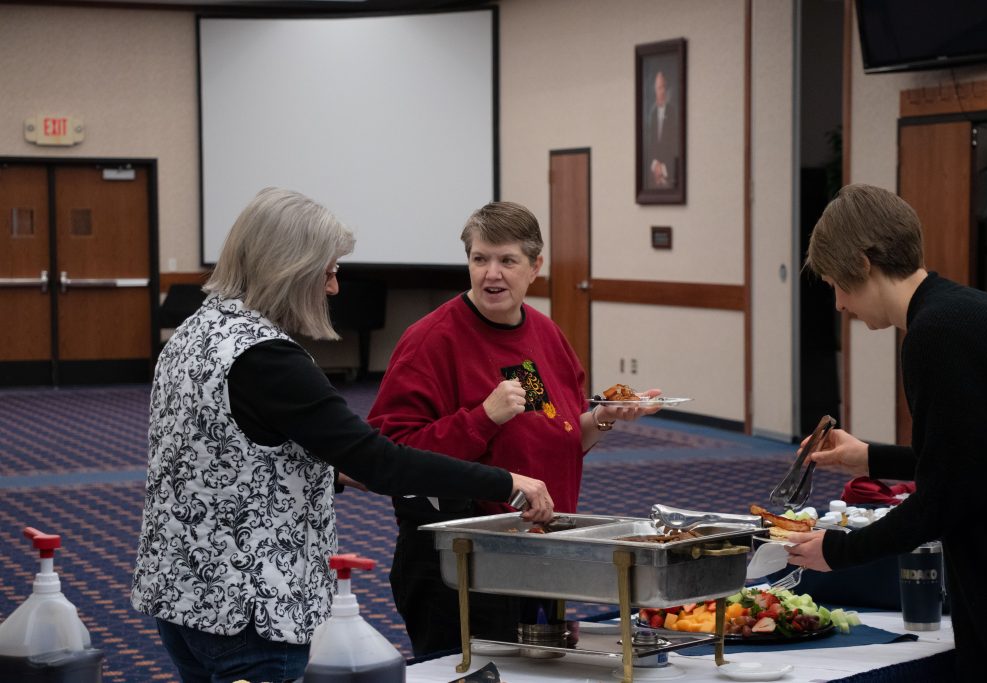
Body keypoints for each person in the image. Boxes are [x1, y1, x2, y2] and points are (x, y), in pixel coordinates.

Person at [130, 188, 555, 683]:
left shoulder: (196, 331)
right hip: (248, 608)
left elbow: (223, 450)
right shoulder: (268, 358)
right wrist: (504, 483)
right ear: (290, 267)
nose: (333, 287)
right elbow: (382, 459)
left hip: (182, 592)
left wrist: (330, 472)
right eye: (329, 270)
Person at [367, 201, 661, 656]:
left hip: (540, 555)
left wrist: (603, 418)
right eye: (479, 259)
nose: (491, 274)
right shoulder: (431, 341)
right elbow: (388, 454)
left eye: (507, 261)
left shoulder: (543, 335)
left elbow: (551, 436)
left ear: (535, 266)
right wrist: (482, 417)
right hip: (460, 563)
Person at [786, 183, 987, 680]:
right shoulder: (966, 311)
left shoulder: (936, 335)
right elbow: (975, 456)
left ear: (862, 263)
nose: (839, 305)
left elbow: (947, 498)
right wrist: (871, 459)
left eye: (836, 285)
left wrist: (838, 551)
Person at [643, 70, 679, 189]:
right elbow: (648, 146)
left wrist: (662, 168)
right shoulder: (651, 115)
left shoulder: (672, 113)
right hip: (653, 173)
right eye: (659, 87)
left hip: (668, 173)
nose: (662, 91)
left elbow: (675, 147)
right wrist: (654, 165)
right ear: (655, 90)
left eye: (664, 87)